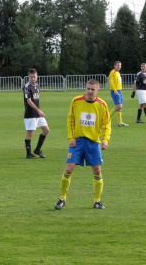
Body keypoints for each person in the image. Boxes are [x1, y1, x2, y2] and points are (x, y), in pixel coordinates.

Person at [54, 79, 112, 210]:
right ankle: (62, 198)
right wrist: (71, 138)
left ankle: (97, 201)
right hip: (78, 142)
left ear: (98, 90)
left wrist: (105, 140)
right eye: (88, 89)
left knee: (97, 171)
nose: (90, 91)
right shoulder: (76, 101)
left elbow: (107, 124)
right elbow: (70, 120)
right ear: (85, 89)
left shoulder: (102, 105)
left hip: (93, 142)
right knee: (69, 169)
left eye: (93, 89)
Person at [23, 68, 50, 159]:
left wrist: (38, 111)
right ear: (28, 77)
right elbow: (29, 101)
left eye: (34, 77)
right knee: (30, 134)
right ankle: (28, 154)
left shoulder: (37, 86)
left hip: (38, 113)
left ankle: (37, 149)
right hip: (30, 114)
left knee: (46, 130)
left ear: (37, 76)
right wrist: (39, 110)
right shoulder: (27, 86)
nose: (33, 79)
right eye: (31, 77)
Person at [108, 61, 128, 126]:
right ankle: (106, 118)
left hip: (119, 91)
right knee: (118, 106)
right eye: (118, 65)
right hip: (115, 91)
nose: (119, 67)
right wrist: (115, 90)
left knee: (120, 107)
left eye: (120, 65)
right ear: (114, 66)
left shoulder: (118, 73)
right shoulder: (112, 72)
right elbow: (111, 81)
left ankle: (120, 122)